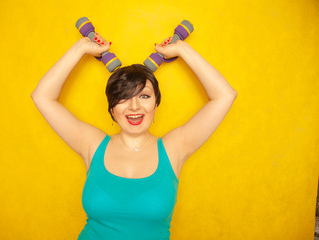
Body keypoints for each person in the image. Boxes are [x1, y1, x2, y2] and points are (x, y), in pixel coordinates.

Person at [31, 32, 237, 240]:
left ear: (156, 104)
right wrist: (81, 47)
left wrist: (182, 49)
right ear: (112, 109)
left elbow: (224, 95)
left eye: (144, 96)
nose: (134, 106)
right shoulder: (92, 144)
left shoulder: (174, 147)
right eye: (123, 98)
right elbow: (43, 97)